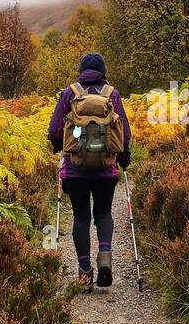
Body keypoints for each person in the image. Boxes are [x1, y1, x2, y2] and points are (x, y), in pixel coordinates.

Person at [48, 52, 132, 290]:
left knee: (81, 218)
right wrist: (124, 160)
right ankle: (105, 255)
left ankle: (84, 273)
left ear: (81, 71)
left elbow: (55, 130)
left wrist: (58, 147)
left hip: (75, 171)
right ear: (103, 71)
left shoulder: (69, 94)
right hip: (106, 170)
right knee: (104, 213)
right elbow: (124, 133)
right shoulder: (111, 94)